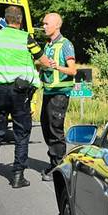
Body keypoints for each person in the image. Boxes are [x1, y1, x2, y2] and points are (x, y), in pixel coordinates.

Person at [0, 6, 53, 189]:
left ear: (5, 20)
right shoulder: (26, 38)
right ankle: (18, 176)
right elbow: (43, 60)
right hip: (19, 92)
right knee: (21, 133)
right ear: (20, 20)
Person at [37, 12, 78, 181]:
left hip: (60, 94)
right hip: (48, 92)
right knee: (46, 128)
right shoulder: (48, 45)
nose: (44, 26)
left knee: (55, 131)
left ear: (57, 26)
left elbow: (73, 70)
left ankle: (58, 168)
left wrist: (57, 66)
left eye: (47, 23)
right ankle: (54, 162)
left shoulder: (65, 44)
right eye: (44, 23)